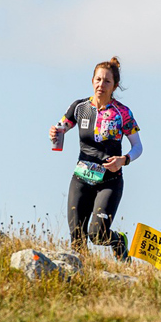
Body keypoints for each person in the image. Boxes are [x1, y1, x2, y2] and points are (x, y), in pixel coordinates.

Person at [49, 57, 142, 261]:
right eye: (98, 79)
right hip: (81, 178)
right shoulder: (79, 107)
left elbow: (138, 147)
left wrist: (123, 160)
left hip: (109, 181)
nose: (101, 84)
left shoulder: (122, 113)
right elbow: (61, 128)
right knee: (77, 239)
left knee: (97, 235)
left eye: (107, 81)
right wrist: (55, 133)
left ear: (114, 86)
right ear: (92, 81)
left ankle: (117, 241)